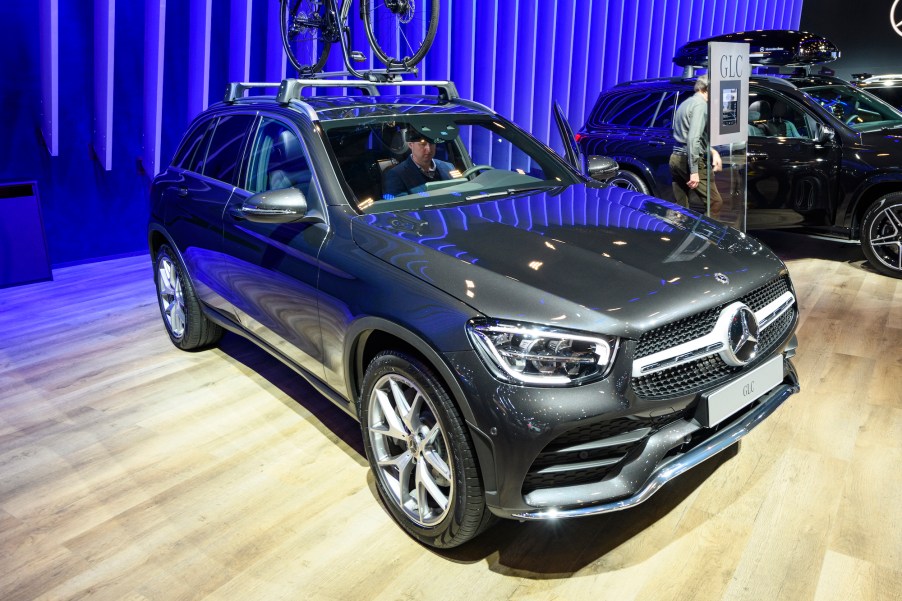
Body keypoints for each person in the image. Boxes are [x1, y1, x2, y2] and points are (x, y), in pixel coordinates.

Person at [669, 75, 723, 218]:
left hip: (675, 158)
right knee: (715, 203)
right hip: (690, 160)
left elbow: (688, 136)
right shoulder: (701, 105)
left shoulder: (686, 103)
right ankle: (707, 239)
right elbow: (693, 138)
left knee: (681, 207)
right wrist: (694, 170)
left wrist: (712, 152)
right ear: (707, 89)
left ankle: (679, 236)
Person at [382, 126, 457, 197]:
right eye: (423, 144)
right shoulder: (396, 174)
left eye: (431, 143)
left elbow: (459, 192)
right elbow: (400, 206)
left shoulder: (448, 167)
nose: (428, 149)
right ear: (411, 145)